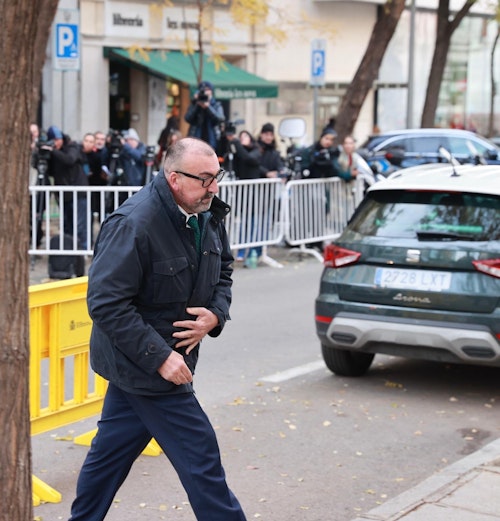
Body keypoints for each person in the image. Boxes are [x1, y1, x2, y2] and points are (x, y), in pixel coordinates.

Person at [67, 137, 246, 521]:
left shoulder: (206, 210)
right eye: (204, 179)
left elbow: (224, 270)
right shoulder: (134, 223)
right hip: (149, 367)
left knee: (107, 460)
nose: (214, 188)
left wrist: (215, 314)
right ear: (173, 178)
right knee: (202, 461)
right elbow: (106, 303)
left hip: (158, 363)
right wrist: (161, 357)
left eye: (217, 177)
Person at [45, 125, 89, 249]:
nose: (56, 143)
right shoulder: (53, 154)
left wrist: (52, 151)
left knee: (80, 225)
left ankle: (82, 251)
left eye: (58, 140)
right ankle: (68, 251)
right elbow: (50, 171)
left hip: (78, 192)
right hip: (64, 194)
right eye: (53, 141)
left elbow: (69, 160)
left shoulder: (72, 146)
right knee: (67, 226)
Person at [225, 130, 263, 262]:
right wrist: (232, 144)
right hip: (242, 192)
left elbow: (249, 158)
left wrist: (236, 143)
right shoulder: (239, 152)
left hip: (254, 193)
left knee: (253, 222)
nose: (242, 139)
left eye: (245, 136)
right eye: (240, 137)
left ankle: (252, 250)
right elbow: (233, 163)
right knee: (243, 222)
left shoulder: (256, 151)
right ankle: (241, 250)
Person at [184, 80, 225, 150]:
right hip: (196, 141)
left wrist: (208, 107)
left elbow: (220, 119)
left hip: (212, 141)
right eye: (203, 90)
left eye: (207, 90)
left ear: (211, 91)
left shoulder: (217, 105)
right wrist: (197, 105)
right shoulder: (195, 104)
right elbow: (187, 118)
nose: (205, 92)